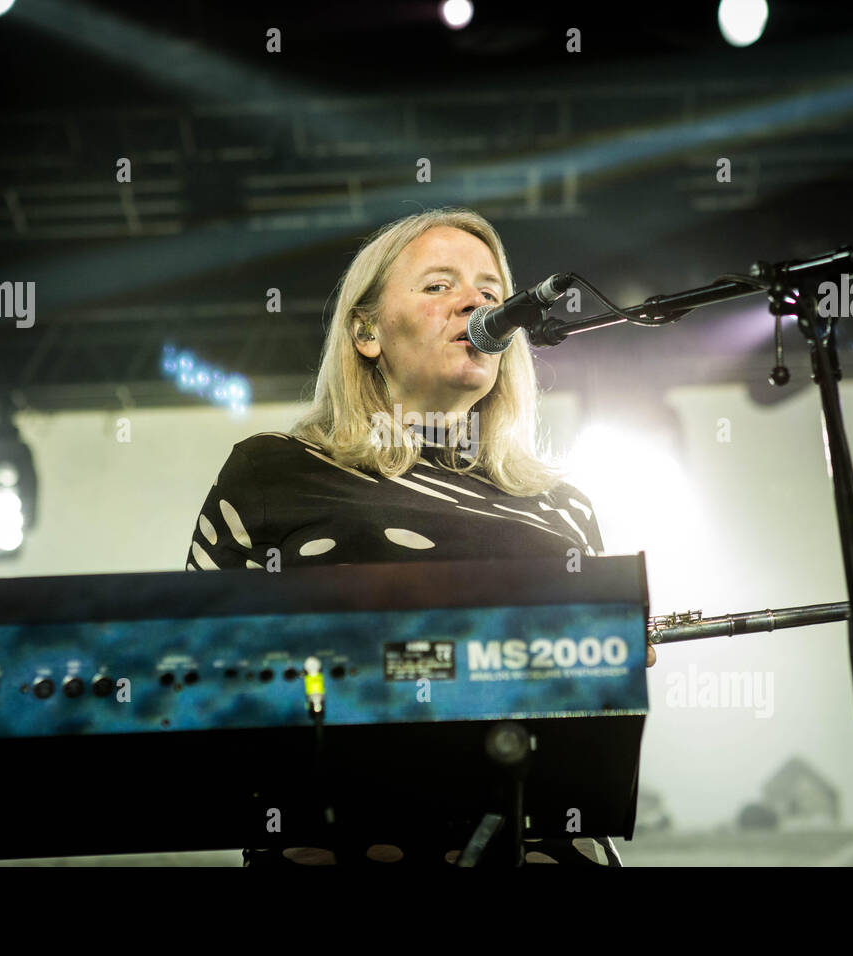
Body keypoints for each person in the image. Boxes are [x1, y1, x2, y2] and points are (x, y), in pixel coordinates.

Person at [185, 206, 656, 866]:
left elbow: (588, 722)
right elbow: (193, 676)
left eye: (492, 293)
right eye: (439, 285)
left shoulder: (564, 504)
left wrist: (615, 658)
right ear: (366, 330)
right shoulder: (272, 471)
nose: (475, 302)